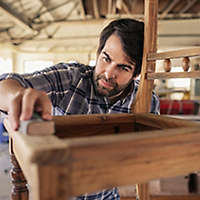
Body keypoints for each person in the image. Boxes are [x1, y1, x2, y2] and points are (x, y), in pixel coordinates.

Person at [0, 18, 159, 200]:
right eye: (106, 58)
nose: (108, 73)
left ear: (136, 73)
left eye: (123, 67)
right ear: (98, 52)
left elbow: (146, 160)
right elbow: (4, 85)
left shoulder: (146, 101)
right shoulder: (71, 78)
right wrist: (17, 96)